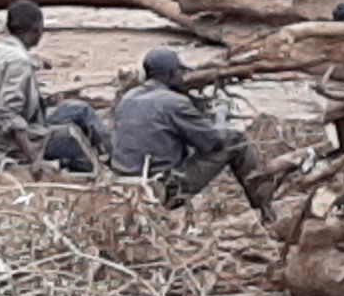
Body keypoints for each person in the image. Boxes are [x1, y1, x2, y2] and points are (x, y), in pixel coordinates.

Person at [109, 47, 278, 210]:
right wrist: (221, 114)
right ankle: (264, 208)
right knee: (235, 140)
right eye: (179, 73)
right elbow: (216, 142)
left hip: (124, 187)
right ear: (171, 74)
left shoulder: (127, 98)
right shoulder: (174, 102)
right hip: (157, 188)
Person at [0, 1, 49, 162]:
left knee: (71, 110)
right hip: (7, 146)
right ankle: (98, 169)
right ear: (37, 28)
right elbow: (8, 114)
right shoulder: (19, 61)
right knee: (78, 119)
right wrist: (33, 158)